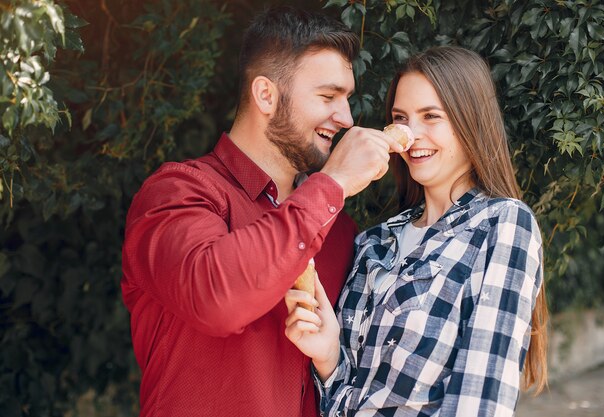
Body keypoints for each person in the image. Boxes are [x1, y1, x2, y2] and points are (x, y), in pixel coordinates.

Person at [121, 6, 404, 417]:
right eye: (327, 96)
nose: (346, 118)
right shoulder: (177, 193)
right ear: (266, 95)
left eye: (347, 99)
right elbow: (217, 298)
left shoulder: (340, 231)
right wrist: (335, 182)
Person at [284, 46, 549, 417]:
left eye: (431, 116)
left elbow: (480, 401)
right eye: (401, 118)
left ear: (469, 120)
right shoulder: (373, 244)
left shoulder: (501, 225)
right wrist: (328, 356)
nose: (411, 135)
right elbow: (344, 403)